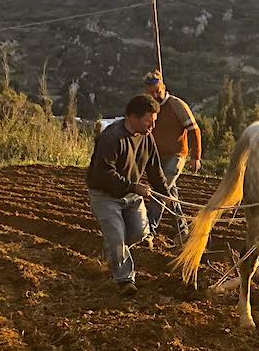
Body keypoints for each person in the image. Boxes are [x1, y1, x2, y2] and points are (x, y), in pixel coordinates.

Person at [86, 94, 170, 295]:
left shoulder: (147, 138)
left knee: (138, 234)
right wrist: (134, 187)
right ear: (132, 117)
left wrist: (165, 194)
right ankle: (125, 281)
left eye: (154, 121)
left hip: (130, 195)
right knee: (116, 236)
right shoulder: (111, 137)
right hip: (105, 195)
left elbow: (154, 169)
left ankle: (114, 253)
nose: (152, 126)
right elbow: (103, 173)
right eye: (149, 121)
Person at [142, 71, 202, 240]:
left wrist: (195, 156)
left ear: (164, 87)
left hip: (176, 156)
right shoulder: (149, 107)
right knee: (170, 194)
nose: (155, 95)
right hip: (156, 157)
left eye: (157, 91)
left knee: (160, 191)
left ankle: (149, 230)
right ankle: (182, 230)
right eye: (151, 92)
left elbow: (193, 129)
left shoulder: (177, 105)